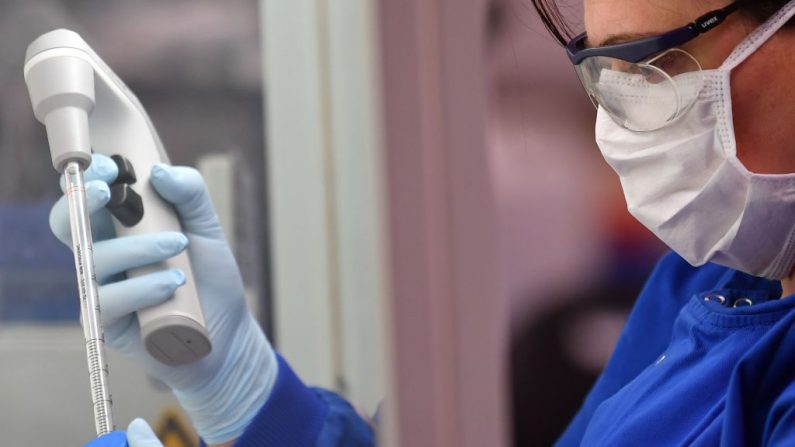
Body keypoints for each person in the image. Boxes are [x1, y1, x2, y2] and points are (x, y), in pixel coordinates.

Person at [52, 0, 795, 445]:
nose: (622, 124)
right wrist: (245, 393)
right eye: (604, 71)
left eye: (660, 66)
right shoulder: (713, 283)